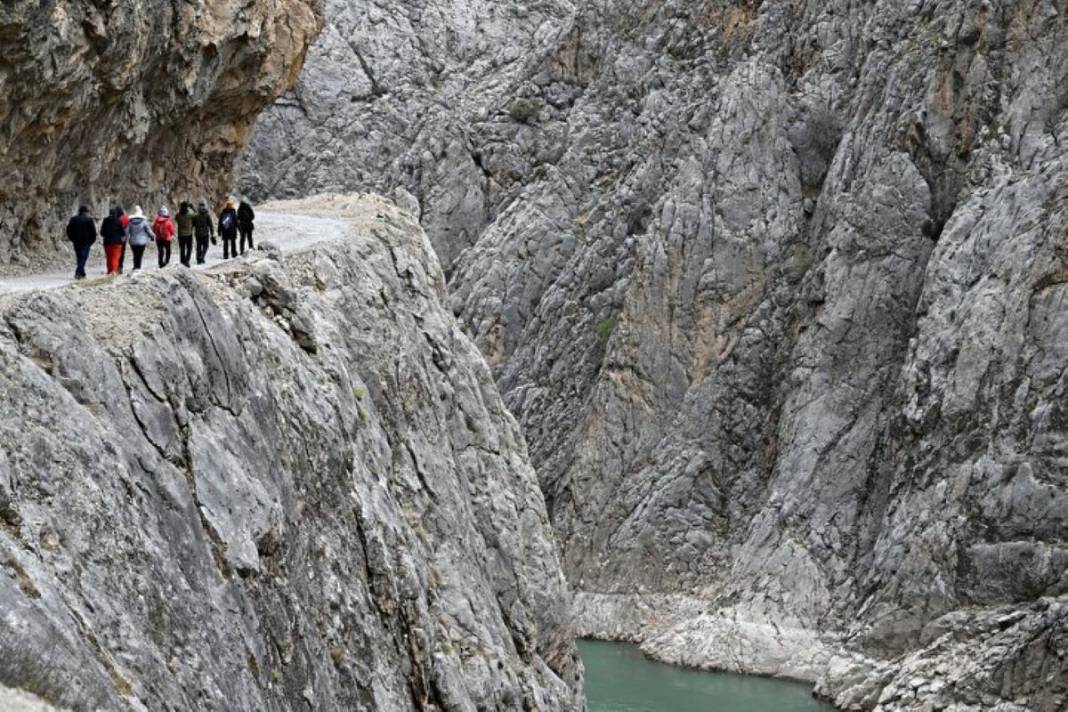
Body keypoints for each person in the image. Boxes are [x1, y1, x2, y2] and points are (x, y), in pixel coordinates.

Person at [65, 206, 97, 279]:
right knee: (83, 257)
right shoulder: (89, 220)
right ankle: (78, 272)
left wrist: (72, 238)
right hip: (86, 242)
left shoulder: (73, 219)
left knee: (79, 257)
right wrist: (91, 241)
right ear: (86, 212)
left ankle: (82, 273)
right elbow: (93, 232)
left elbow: (69, 230)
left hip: (76, 241)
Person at [100, 207, 127, 275]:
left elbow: (102, 233)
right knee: (115, 257)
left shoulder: (105, 220)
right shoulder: (118, 221)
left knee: (109, 257)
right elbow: (122, 233)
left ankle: (109, 271)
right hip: (117, 242)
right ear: (116, 213)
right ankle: (114, 271)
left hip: (107, 242)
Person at [126, 206, 154, 270]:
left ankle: (135, 266)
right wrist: (152, 236)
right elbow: (148, 230)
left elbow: (127, 231)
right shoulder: (144, 222)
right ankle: (138, 267)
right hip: (142, 242)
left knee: (135, 254)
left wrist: (125, 239)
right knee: (140, 255)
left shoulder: (130, 222)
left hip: (132, 241)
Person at [176, 201, 195, 267]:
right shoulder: (190, 214)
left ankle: (182, 260)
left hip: (180, 234)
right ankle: (187, 260)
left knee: (182, 248)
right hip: (189, 234)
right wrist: (192, 207)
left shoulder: (178, 215)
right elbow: (196, 214)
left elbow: (176, 219)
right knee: (189, 248)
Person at [115, 205, 130, 273]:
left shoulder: (116, 219)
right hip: (124, 239)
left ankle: (116, 267)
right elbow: (128, 229)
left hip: (117, 239)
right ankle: (120, 267)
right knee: (122, 253)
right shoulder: (126, 218)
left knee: (116, 253)